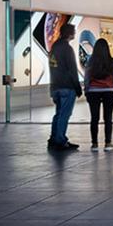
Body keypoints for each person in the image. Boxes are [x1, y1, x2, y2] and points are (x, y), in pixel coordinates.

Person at [47, 22, 82, 151]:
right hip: (67, 86)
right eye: (74, 31)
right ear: (70, 33)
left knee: (58, 114)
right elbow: (72, 70)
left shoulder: (54, 47)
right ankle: (60, 140)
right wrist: (77, 87)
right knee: (64, 114)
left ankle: (54, 138)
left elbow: (52, 68)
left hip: (56, 86)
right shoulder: (67, 49)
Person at [84, 37, 113, 152]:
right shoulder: (112, 61)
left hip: (93, 92)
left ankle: (94, 144)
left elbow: (87, 77)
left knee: (94, 118)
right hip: (108, 91)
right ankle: (108, 143)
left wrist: (86, 89)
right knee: (108, 118)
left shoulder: (90, 61)